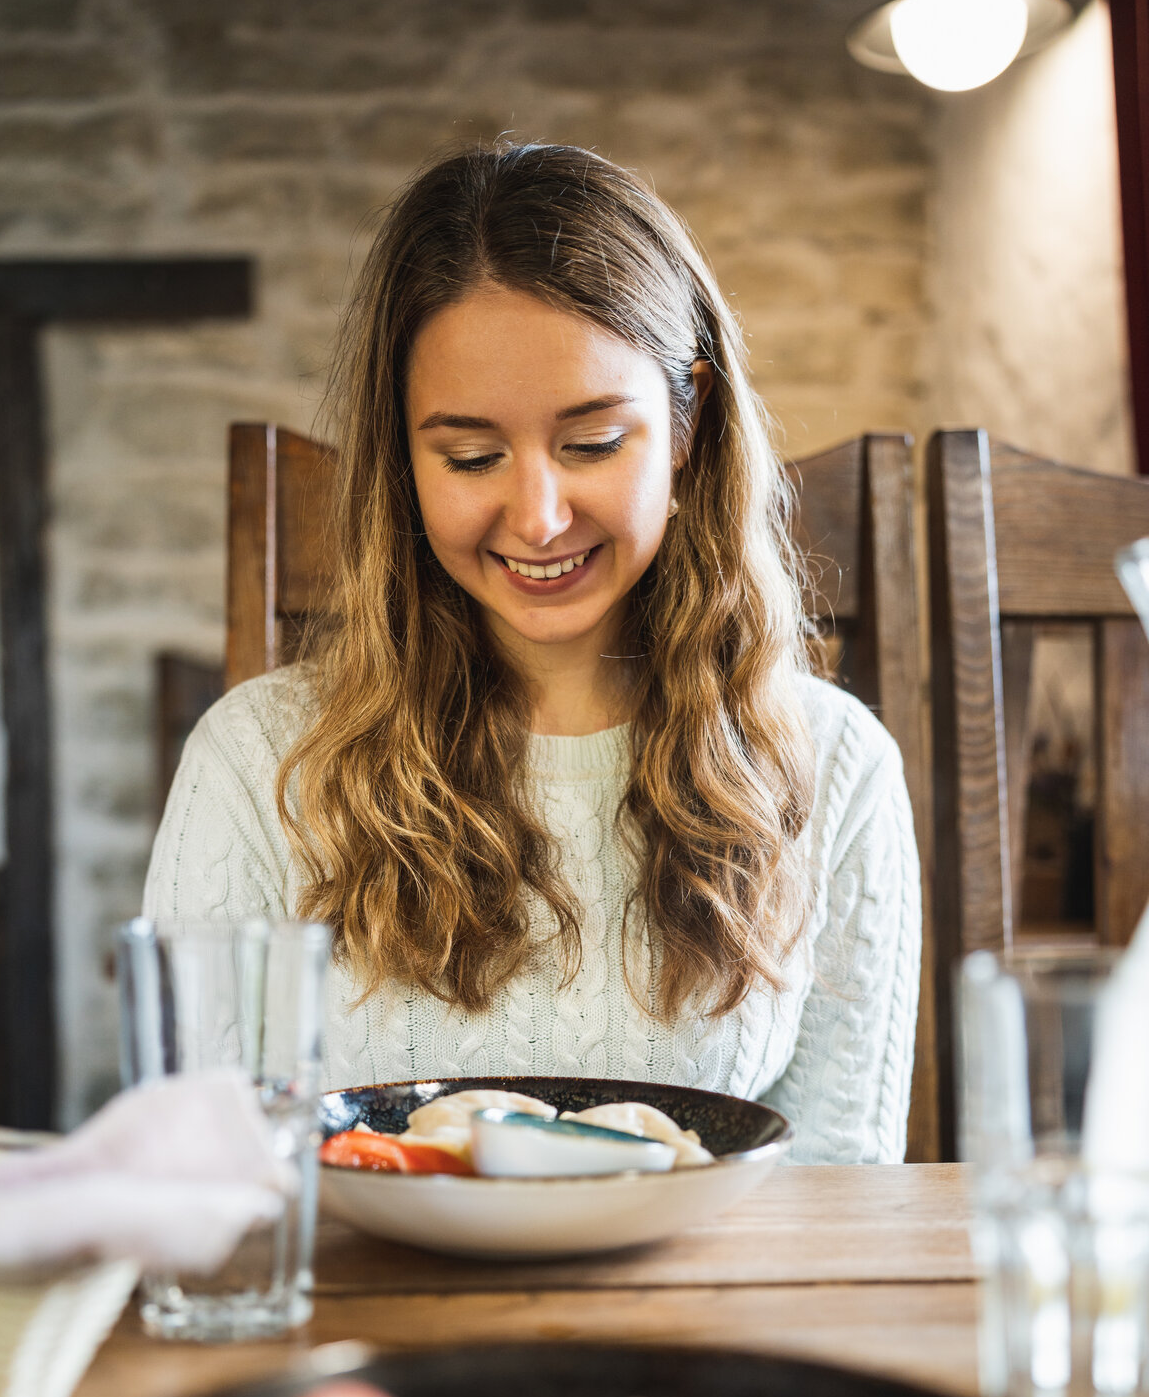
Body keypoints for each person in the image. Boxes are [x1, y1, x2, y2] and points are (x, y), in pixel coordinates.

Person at [145, 142, 920, 1164]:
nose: (538, 516)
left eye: (592, 442)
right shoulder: (256, 763)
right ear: (402, 456)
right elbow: (195, 1169)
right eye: (469, 456)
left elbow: (836, 1193)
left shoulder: (834, 771)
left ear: (687, 423)